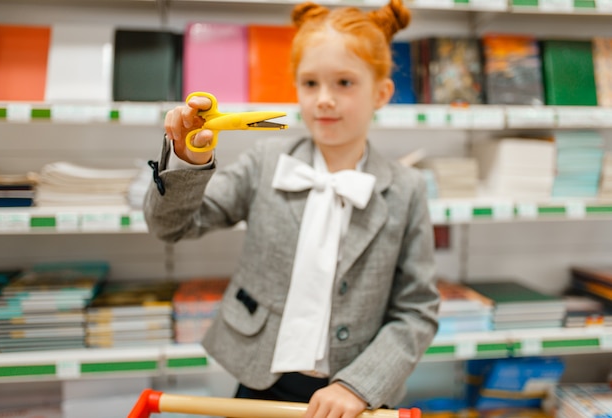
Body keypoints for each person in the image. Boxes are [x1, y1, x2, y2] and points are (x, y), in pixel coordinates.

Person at [144, 0, 440, 417]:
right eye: (310, 83)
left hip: (353, 395)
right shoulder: (265, 162)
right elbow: (171, 227)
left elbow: (416, 311)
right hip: (260, 382)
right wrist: (188, 161)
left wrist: (360, 385)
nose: (324, 100)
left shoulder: (406, 189)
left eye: (344, 83)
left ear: (382, 92)